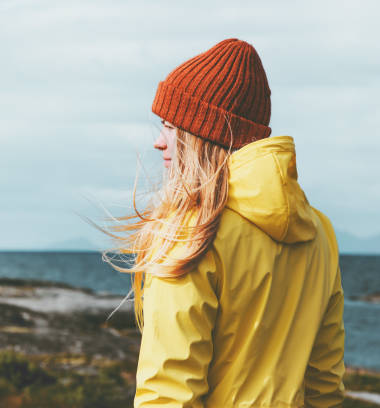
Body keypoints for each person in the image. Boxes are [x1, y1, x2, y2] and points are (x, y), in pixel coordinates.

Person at [105, 38, 345, 407]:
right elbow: (325, 386)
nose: (158, 142)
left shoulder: (192, 232)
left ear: (202, 133)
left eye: (169, 126)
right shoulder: (319, 231)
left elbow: (168, 393)